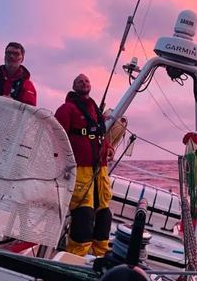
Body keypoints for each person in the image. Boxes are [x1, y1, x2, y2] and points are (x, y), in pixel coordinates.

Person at [55, 74, 114, 256]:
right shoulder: (67, 109)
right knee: (83, 215)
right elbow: (56, 137)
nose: (84, 83)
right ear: (74, 86)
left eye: (87, 80)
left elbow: (101, 135)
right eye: (80, 81)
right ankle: (75, 256)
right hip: (80, 170)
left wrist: (109, 148)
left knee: (104, 215)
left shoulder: (95, 110)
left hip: (100, 170)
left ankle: (100, 256)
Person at [0, 42, 37, 106]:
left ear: (22, 59)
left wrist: (13, 105)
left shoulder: (28, 86)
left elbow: (29, 112)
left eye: (16, 54)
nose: (11, 56)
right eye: (8, 53)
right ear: (4, 56)